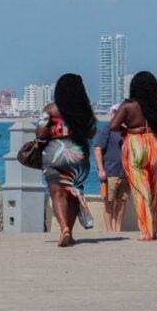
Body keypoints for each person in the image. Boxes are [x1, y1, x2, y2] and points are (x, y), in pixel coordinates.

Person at [109, 71, 157, 241]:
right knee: (154, 191)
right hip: (156, 145)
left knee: (141, 191)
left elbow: (113, 125)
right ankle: (154, 227)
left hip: (135, 145)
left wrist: (125, 130)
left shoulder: (128, 106)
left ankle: (147, 230)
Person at [37, 73, 96, 247]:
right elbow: (92, 132)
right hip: (78, 157)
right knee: (73, 194)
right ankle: (69, 230)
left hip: (55, 155)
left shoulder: (49, 109)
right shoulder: (86, 111)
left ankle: (64, 229)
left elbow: (40, 134)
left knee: (58, 194)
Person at [93, 105, 128, 231]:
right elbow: (97, 149)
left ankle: (118, 229)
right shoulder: (106, 130)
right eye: (114, 112)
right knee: (109, 203)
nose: (116, 115)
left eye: (119, 113)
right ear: (110, 114)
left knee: (122, 202)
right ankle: (109, 231)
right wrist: (101, 169)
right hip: (110, 174)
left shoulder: (126, 131)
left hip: (124, 174)